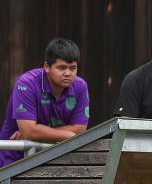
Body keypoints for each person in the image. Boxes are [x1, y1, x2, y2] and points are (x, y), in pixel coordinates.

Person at [0, 38, 89, 167]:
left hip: (54, 160)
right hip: (13, 159)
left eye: (73, 68)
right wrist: (66, 134)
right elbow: (30, 131)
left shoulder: (80, 86)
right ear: (47, 67)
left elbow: (79, 129)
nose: (68, 73)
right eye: (62, 68)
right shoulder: (26, 83)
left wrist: (36, 132)